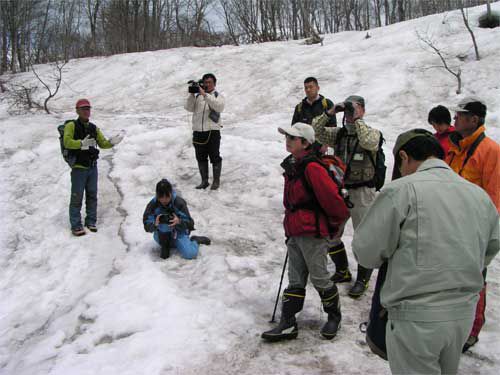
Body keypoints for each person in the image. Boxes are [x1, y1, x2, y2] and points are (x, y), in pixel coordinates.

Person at [352, 129, 499, 374]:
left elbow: (367, 253)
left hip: (416, 318)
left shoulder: (401, 190)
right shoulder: (478, 195)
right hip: (462, 314)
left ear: (404, 157)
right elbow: (491, 246)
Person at [261, 123, 350, 342]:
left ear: (305, 143)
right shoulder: (294, 165)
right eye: (287, 136)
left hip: (312, 233)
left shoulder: (312, 168)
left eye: (293, 137)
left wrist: (333, 226)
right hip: (295, 230)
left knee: (319, 277)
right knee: (296, 278)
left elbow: (332, 200)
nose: (288, 140)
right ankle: (288, 323)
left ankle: (334, 317)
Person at [311, 95, 382, 298]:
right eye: (349, 110)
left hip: (362, 192)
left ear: (363, 110)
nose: (350, 114)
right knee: (332, 233)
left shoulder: (373, 133)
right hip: (340, 190)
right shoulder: (339, 134)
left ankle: (362, 279)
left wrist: (358, 119)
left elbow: (368, 142)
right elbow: (315, 132)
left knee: (364, 238)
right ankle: (342, 271)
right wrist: (331, 112)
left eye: (355, 108)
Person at [446, 96, 500, 351]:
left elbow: (495, 199)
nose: (454, 119)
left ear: (474, 119)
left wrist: (484, 236)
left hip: (472, 232)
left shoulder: (490, 151)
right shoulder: (456, 147)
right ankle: (452, 323)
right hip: (449, 226)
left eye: (459, 116)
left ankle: (471, 330)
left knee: (473, 281)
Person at [63, 98, 123, 236]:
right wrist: (81, 144)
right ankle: (76, 225)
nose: (86, 111)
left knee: (92, 195)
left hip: (92, 167)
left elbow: (102, 143)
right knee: (77, 196)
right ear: (77, 111)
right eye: (83, 109)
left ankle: (91, 221)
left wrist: (113, 142)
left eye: (88, 108)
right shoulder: (71, 126)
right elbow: (67, 142)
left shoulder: (93, 127)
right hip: (78, 167)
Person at [142, 179, 210, 260]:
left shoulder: (178, 203)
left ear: (171, 193)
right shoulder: (153, 204)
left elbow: (190, 223)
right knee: (164, 224)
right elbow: (146, 225)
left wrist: (179, 222)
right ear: (157, 195)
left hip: (178, 232)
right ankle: (166, 246)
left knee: (190, 254)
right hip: (160, 234)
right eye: (161, 197)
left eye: (167, 196)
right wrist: (155, 224)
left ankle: (195, 240)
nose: (164, 200)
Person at [184, 73, 225, 190]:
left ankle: (216, 181)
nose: (207, 84)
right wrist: (192, 94)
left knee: (215, 157)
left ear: (214, 84)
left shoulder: (217, 96)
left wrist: (205, 95)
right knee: (200, 157)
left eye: (209, 82)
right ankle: (204, 181)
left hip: (212, 131)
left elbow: (219, 107)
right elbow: (188, 108)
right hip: (198, 131)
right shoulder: (197, 97)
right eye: (205, 82)